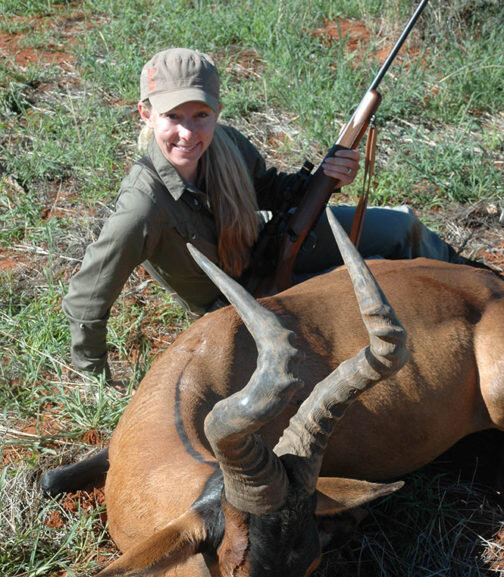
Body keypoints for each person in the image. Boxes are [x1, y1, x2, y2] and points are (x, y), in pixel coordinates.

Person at [63, 47, 458, 381]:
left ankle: (478, 285)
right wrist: (96, 379)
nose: (188, 132)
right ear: (146, 115)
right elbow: (86, 298)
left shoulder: (226, 143)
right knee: (383, 279)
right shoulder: (142, 206)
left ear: (217, 110)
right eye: (172, 116)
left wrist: (327, 178)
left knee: (402, 227)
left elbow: (270, 188)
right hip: (239, 307)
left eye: (201, 114)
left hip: (269, 241)